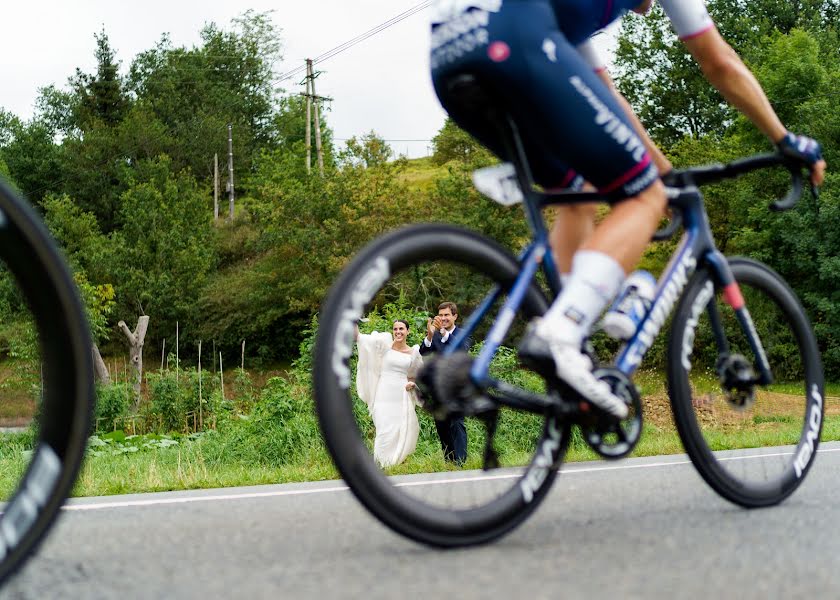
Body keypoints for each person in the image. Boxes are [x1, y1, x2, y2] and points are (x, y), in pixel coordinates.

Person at [430, 0, 826, 419]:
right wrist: (786, 140)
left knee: (578, 194)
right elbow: (719, 62)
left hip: (448, 57)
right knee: (642, 197)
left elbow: (604, 95)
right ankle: (563, 330)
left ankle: (567, 345)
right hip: (514, 40)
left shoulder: (571, 16)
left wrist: (662, 171)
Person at [356, 320, 424, 467]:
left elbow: (417, 376)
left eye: (401, 329)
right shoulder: (384, 346)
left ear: (408, 331)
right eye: (395, 329)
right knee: (383, 428)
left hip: (400, 394)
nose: (398, 332)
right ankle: (380, 464)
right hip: (383, 392)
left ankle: (395, 461)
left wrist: (413, 385)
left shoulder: (414, 352)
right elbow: (360, 339)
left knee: (398, 428)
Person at [420, 301, 469, 465]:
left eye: (446, 315)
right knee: (442, 424)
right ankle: (450, 461)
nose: (443, 318)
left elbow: (463, 349)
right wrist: (429, 336)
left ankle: (461, 462)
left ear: (455, 316)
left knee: (457, 422)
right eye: (440, 315)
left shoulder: (462, 333)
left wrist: (443, 332)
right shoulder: (434, 335)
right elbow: (423, 352)